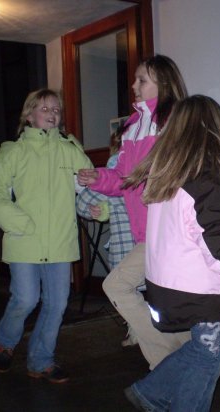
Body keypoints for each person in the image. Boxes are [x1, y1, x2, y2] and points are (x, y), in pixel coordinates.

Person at [122, 95, 220, 411]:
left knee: (204, 351)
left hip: (165, 287)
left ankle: (150, 392)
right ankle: (150, 391)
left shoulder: (167, 175)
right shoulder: (207, 178)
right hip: (197, 290)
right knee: (208, 355)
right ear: (214, 130)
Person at [77, 54, 190, 369]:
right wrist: (98, 178)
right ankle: (181, 359)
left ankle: (165, 364)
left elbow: (181, 175)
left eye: (142, 80)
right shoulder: (132, 126)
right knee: (164, 302)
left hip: (170, 230)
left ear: (162, 83)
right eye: (135, 79)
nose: (133, 85)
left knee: (121, 286)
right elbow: (125, 180)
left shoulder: (177, 122)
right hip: (147, 233)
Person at [0, 88, 94, 383]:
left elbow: (89, 189)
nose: (52, 114)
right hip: (24, 238)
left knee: (56, 303)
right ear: (29, 116)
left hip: (60, 241)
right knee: (26, 298)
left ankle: (41, 360)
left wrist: (98, 207)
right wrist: (16, 222)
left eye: (56, 109)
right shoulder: (13, 152)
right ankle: (6, 341)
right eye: (44, 109)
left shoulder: (71, 150)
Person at [76, 131, 137, 345]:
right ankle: (138, 328)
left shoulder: (137, 170)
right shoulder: (113, 171)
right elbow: (85, 202)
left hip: (134, 243)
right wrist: (98, 210)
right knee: (128, 289)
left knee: (130, 289)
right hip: (127, 242)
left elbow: (85, 202)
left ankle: (144, 329)